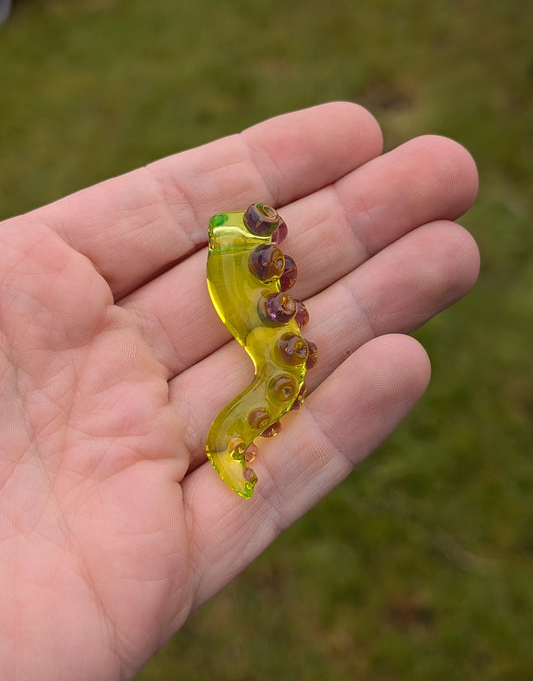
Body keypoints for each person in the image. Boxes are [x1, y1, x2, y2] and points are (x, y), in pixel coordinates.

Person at [0, 102, 479, 679]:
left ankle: (234, 445)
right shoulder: (237, 260)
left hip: (264, 330)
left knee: (283, 367)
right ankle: (233, 447)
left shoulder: (251, 275)